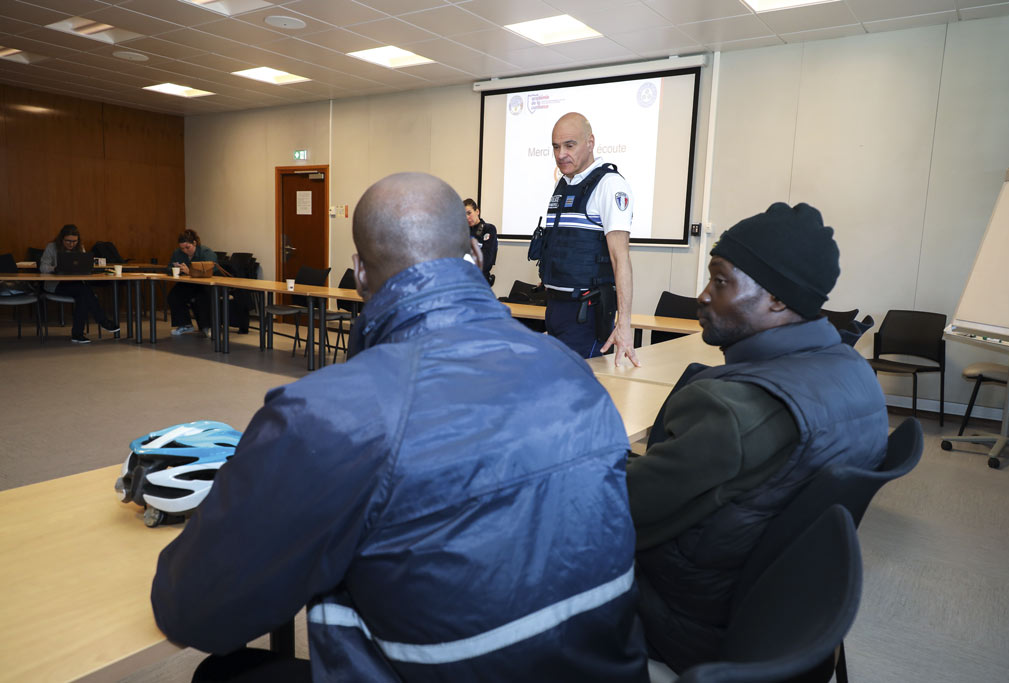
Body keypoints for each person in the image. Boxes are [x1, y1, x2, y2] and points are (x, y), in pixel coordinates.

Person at [151, 172, 647, 682]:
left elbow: (190, 611)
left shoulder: (328, 415)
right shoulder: (575, 375)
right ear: (476, 258)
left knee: (219, 673)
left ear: (360, 275)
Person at [626, 202, 889, 673]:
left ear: (778, 299)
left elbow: (622, 505)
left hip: (683, 618)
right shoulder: (855, 373)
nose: (702, 296)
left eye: (720, 280)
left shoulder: (733, 409)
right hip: (777, 610)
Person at [533, 112, 638, 367]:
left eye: (570, 145)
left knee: (580, 394)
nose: (561, 154)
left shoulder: (609, 185)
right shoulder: (563, 185)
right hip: (556, 311)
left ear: (590, 142)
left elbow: (619, 257)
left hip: (585, 314)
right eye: (556, 147)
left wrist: (623, 323)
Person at [38, 224, 120, 344]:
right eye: (68, 241)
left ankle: (78, 334)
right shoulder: (51, 247)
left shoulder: (80, 247)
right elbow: (43, 267)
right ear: (61, 239)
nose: (71, 244)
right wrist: (54, 268)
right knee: (84, 292)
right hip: (56, 284)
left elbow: (84, 265)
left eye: (74, 241)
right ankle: (102, 321)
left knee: (83, 294)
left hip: (76, 283)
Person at [167, 229, 223, 337]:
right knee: (173, 296)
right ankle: (185, 325)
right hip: (189, 284)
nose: (185, 251)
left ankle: (208, 326)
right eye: (182, 248)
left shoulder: (206, 252)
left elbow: (211, 270)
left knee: (202, 297)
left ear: (194, 243)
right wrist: (175, 269)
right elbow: (168, 268)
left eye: (187, 247)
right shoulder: (177, 253)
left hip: (207, 284)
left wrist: (191, 272)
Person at [464, 198, 497, 284]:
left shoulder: (488, 229)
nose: (467, 217)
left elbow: (486, 261)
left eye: (469, 213)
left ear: (477, 211)